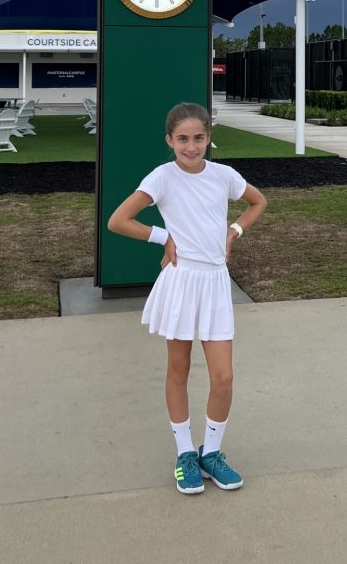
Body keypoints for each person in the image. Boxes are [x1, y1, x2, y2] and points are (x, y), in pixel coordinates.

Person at [107, 102, 267, 495]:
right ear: (170, 140)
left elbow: (258, 201)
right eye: (183, 139)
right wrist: (164, 237)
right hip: (181, 282)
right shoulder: (162, 178)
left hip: (215, 283)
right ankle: (184, 454)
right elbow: (118, 220)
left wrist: (233, 231)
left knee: (223, 377)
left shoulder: (224, 176)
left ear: (208, 138)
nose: (191, 147)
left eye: (198, 138)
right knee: (178, 371)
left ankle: (210, 452)